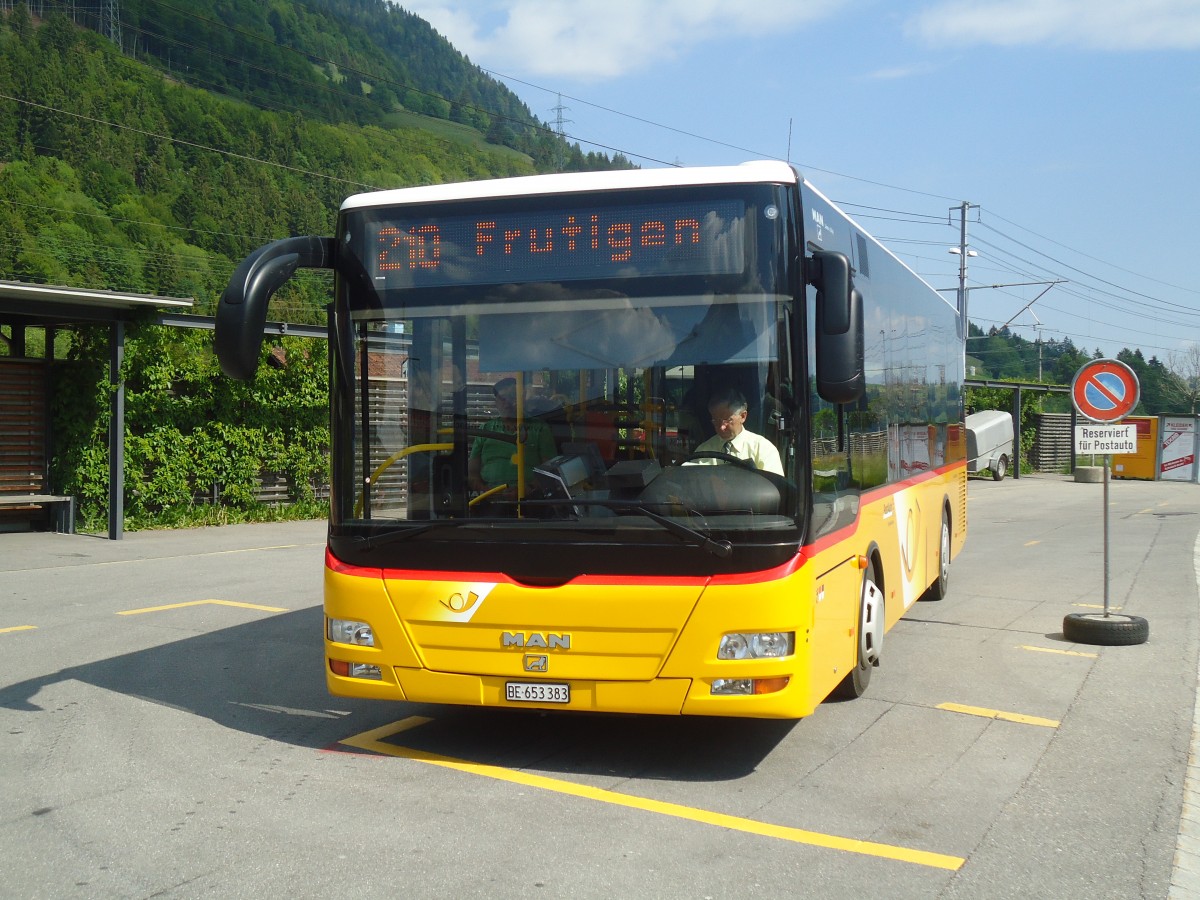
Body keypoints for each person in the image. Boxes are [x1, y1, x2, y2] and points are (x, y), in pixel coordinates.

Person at [468, 377, 557, 492]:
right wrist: (484, 490)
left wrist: (527, 489)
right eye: (502, 399)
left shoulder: (540, 428)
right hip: (489, 498)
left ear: (522, 399)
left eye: (511, 397)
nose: (507, 404)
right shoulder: (485, 429)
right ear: (496, 402)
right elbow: (472, 473)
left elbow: (549, 470)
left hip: (528, 500)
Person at [692, 387, 784, 476]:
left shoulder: (763, 449)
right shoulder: (703, 451)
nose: (721, 427)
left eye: (727, 420)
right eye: (716, 421)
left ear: (743, 416)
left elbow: (774, 487)